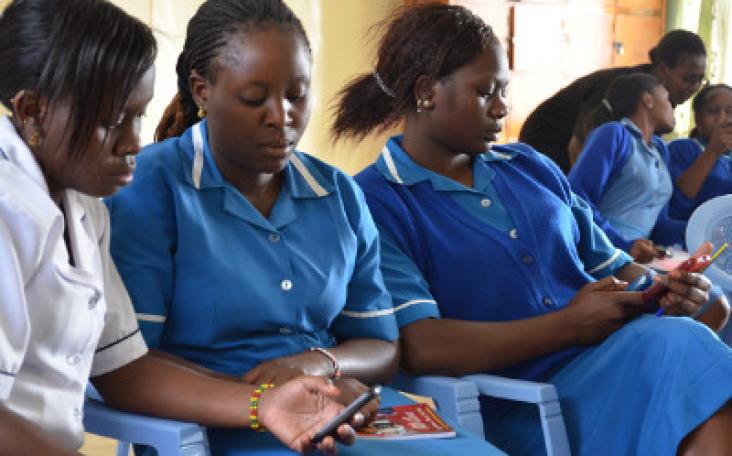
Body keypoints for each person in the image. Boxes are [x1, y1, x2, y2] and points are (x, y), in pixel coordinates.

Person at [332, 3, 732, 455]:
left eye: (504, 89)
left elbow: (616, 268)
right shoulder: (377, 200)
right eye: (486, 92)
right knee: (683, 353)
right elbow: (420, 344)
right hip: (518, 404)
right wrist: (567, 326)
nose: (503, 107)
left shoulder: (529, 167)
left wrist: (664, 287)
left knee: (706, 327)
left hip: (614, 359)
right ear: (426, 92)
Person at [0, 1, 365, 454]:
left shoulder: (82, 206)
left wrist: (265, 405)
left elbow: (125, 369)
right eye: (112, 121)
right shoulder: (7, 212)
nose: (134, 141)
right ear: (32, 110)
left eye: (138, 115)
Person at [105, 0, 399, 453]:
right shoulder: (149, 188)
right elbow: (127, 363)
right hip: (211, 428)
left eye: (296, 95)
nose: (281, 116)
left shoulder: (337, 193)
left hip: (331, 416)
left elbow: (381, 345)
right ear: (202, 90)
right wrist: (267, 399)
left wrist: (317, 365)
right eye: (254, 98)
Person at [519, 29, 707, 172]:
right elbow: (579, 146)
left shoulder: (659, 100)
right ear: (663, 69)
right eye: (688, 79)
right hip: (545, 148)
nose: (694, 87)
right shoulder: (623, 89)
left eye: (700, 79)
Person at [567, 73, 683, 264]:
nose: (673, 108)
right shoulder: (614, 134)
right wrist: (622, 243)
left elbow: (658, 225)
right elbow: (577, 198)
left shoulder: (660, 150)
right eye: (668, 99)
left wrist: (701, 228)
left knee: (709, 290)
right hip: (603, 253)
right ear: (648, 100)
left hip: (635, 258)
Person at [668, 84, 732, 220]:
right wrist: (713, 151)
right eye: (713, 112)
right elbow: (677, 203)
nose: (722, 119)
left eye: (730, 112)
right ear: (697, 118)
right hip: (687, 233)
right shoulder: (681, 149)